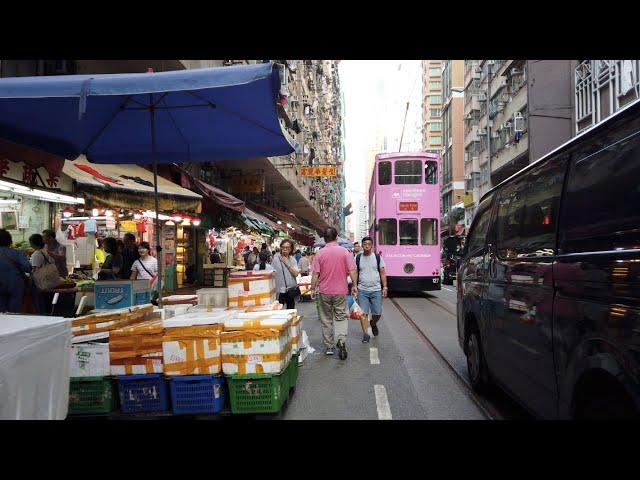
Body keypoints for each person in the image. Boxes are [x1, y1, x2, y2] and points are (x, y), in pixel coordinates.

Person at [310, 227, 357, 360]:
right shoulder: (345, 252)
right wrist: (354, 286)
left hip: (324, 291)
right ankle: (341, 341)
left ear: (324, 239)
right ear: (337, 237)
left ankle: (329, 347)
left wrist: (313, 289)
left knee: (326, 319)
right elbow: (352, 270)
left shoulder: (319, 254)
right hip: (341, 291)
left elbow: (315, 274)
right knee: (341, 317)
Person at [354, 236, 388, 342]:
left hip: (376, 290)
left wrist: (385, 287)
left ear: (372, 245)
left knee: (377, 313)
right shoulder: (358, 257)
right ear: (362, 245)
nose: (367, 246)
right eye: (365, 244)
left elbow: (382, 272)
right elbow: (355, 272)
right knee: (363, 314)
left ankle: (373, 324)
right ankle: (366, 334)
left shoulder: (377, 257)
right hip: (362, 290)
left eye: (369, 244)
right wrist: (354, 286)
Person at [0, 229, 32, 313]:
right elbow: (28, 268)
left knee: (1, 311)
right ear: (9, 240)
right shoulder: (18, 253)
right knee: (14, 311)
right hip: (15, 284)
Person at [28, 233, 54, 315]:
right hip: (45, 280)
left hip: (38, 283)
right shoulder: (45, 251)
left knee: (38, 303)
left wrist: (30, 283)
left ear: (33, 243)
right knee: (43, 302)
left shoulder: (36, 254)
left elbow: (35, 270)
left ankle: (41, 316)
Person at [272, 239, 300, 309]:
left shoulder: (293, 260)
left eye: (287, 247)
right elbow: (272, 273)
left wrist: (287, 263)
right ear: (281, 248)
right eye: (283, 247)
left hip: (290, 290)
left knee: (291, 310)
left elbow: (296, 274)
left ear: (291, 249)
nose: (285, 249)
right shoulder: (276, 259)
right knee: (278, 312)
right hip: (279, 291)